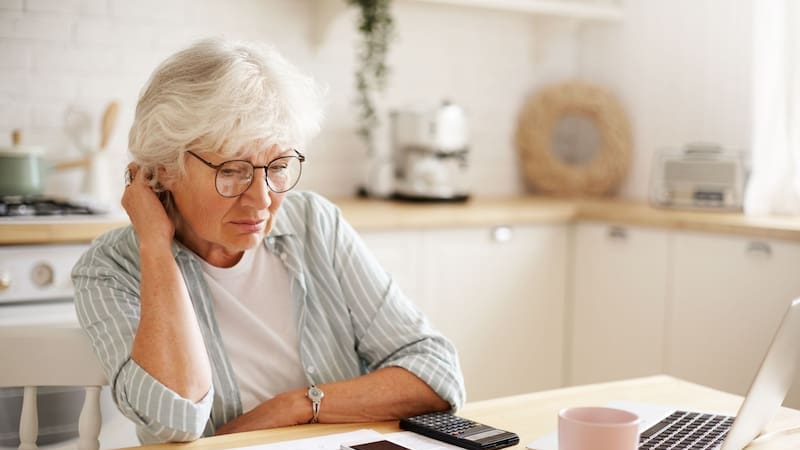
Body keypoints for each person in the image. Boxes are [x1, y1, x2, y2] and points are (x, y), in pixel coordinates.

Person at [71, 37, 465, 445]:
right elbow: (174, 420)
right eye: (232, 170)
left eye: (277, 166)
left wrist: (293, 407)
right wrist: (155, 246)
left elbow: (436, 374)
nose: (262, 199)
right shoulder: (110, 268)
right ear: (165, 168)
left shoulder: (314, 223)